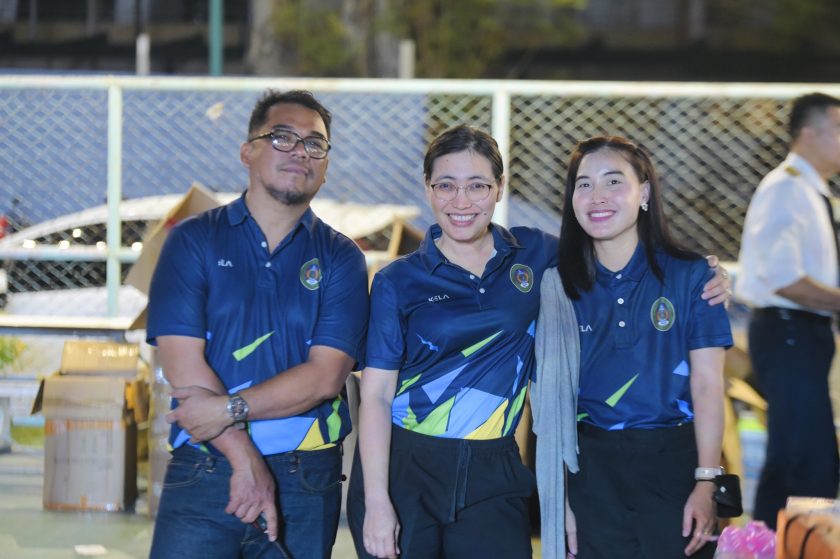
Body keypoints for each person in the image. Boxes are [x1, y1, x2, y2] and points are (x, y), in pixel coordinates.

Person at [347, 125, 731, 559]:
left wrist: (707, 273)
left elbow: (610, 242)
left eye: (477, 185)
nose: (461, 201)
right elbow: (375, 395)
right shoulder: (398, 280)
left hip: (496, 468)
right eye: (446, 185)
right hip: (408, 464)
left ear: (499, 188)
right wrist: (377, 501)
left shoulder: (535, 254)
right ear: (428, 189)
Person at [146, 89, 369, 559]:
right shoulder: (193, 240)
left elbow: (325, 377)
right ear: (248, 151)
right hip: (205, 466)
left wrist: (229, 410)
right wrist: (244, 457)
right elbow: (183, 366)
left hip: (306, 478)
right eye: (282, 137)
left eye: (314, 144)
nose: (300, 152)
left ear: (326, 165)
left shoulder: (341, 258)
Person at [538, 135, 732, 558]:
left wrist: (706, 481)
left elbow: (707, 385)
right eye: (584, 184)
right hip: (590, 470)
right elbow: (548, 402)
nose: (597, 196)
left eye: (613, 181)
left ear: (643, 192)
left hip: (674, 464)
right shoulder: (555, 283)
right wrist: (561, 500)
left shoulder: (692, 277)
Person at [735, 92, 840, 528]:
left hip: (800, 333)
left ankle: (766, 547)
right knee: (810, 461)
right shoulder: (787, 189)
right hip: (788, 330)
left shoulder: (809, 190)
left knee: (790, 457)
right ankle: (802, 549)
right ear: (808, 133)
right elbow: (783, 278)